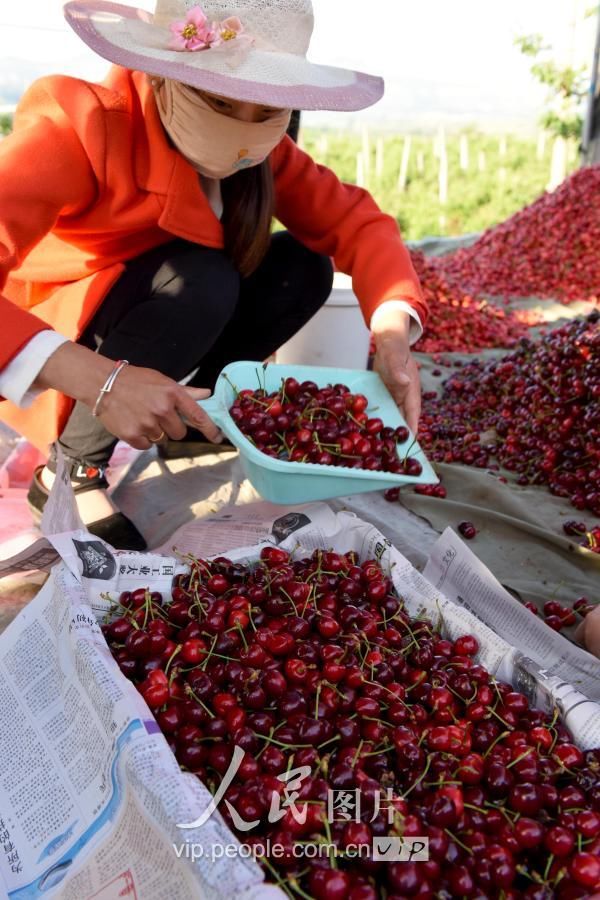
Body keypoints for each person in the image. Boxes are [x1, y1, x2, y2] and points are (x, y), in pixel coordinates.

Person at [0, 0, 428, 550]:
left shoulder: (264, 157)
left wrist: (392, 331)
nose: (241, 131)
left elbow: (358, 222)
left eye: (265, 109)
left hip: (167, 315)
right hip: (65, 330)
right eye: (219, 102)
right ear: (162, 73)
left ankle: (195, 424)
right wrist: (100, 382)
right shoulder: (82, 124)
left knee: (301, 265)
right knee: (199, 278)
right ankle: (71, 468)